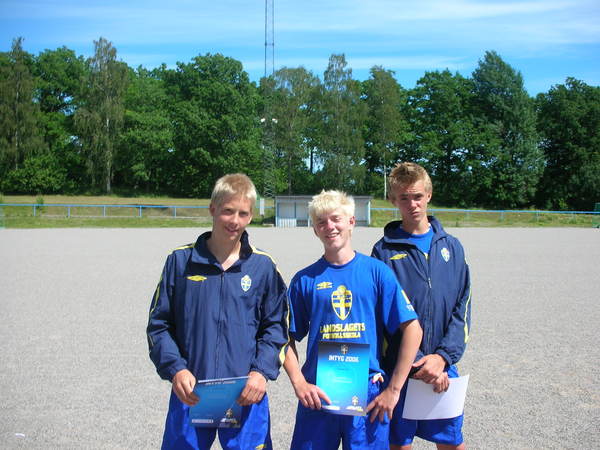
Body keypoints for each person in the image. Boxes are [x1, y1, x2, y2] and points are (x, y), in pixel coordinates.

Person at [146, 173, 289, 450]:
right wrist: (176, 370)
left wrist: (261, 372)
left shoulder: (262, 267)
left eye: (243, 213)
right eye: (227, 211)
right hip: (191, 391)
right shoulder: (180, 262)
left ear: (251, 216)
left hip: (245, 393)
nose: (235, 220)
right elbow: (159, 325)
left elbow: (276, 327)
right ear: (212, 209)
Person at [284, 190, 423, 449]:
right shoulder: (304, 279)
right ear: (315, 230)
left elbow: (413, 329)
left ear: (351, 222)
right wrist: (299, 383)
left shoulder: (376, 272)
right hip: (318, 393)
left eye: (335, 219)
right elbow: (284, 337)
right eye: (321, 222)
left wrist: (393, 390)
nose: (329, 226)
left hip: (367, 392)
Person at [371, 162, 472, 450]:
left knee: (452, 443)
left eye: (417, 196)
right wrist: (416, 363)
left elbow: (462, 308)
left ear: (428, 194)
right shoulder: (383, 251)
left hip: (443, 369)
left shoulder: (452, 247)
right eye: (404, 198)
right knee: (399, 444)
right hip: (401, 370)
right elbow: (382, 317)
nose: (412, 204)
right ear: (393, 200)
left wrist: (442, 358)